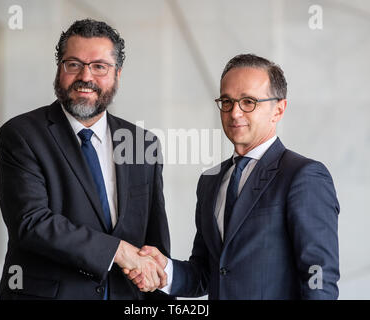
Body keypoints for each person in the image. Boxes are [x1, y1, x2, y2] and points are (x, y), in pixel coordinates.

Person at [126, 54, 340, 299]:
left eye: (248, 102)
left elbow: (319, 279)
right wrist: (165, 269)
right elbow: (206, 274)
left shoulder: (304, 176)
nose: (234, 113)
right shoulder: (210, 181)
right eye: (227, 102)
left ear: (278, 110)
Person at [0, 19, 171, 300]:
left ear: (118, 73)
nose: (86, 77)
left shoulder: (142, 142)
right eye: (74, 64)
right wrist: (118, 251)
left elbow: (155, 241)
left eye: (99, 66)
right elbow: (31, 223)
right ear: (59, 68)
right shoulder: (21, 135)